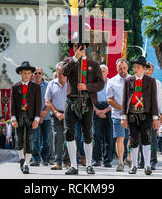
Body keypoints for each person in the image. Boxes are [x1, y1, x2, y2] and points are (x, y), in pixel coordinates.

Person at [62, 38, 105, 175]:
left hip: (87, 101)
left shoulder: (94, 64)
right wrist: (75, 58)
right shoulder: (69, 61)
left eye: (79, 46)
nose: (77, 48)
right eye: (75, 46)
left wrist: (87, 86)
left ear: (85, 47)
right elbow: (64, 72)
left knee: (87, 133)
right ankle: (74, 165)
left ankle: (89, 164)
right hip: (71, 101)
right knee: (68, 132)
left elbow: (100, 84)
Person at [121, 55, 159, 175]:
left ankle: (147, 165)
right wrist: (123, 117)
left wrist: (155, 118)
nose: (135, 69)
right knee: (133, 140)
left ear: (143, 68)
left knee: (146, 139)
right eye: (134, 67)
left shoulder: (151, 81)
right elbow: (124, 99)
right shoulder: (128, 80)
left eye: (137, 67)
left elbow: (154, 100)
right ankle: (134, 165)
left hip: (145, 115)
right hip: (132, 114)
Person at [11, 61, 42, 174]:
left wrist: (37, 119)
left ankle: (27, 164)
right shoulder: (15, 87)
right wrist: (13, 118)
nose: (27, 75)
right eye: (24, 73)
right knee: (18, 140)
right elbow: (12, 104)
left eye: (29, 73)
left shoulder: (36, 87)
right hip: (19, 116)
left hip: (31, 117)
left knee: (30, 140)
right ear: (20, 73)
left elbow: (38, 104)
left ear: (31, 74)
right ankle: (21, 159)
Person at [45, 61, 71, 170]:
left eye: (63, 73)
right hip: (56, 114)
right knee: (58, 137)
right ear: (56, 72)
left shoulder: (71, 84)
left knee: (70, 137)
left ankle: (67, 161)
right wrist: (56, 112)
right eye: (59, 72)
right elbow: (47, 100)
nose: (61, 75)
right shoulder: (52, 84)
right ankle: (58, 162)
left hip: (69, 114)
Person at [106, 59, 131, 172]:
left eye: (124, 68)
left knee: (132, 138)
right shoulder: (112, 81)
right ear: (117, 69)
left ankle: (129, 158)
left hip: (132, 115)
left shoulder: (134, 80)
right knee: (120, 139)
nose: (122, 70)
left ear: (127, 67)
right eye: (120, 68)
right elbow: (109, 100)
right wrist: (122, 108)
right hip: (117, 115)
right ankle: (120, 162)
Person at [141, 62, 162, 170]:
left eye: (149, 69)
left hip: (152, 114)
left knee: (153, 137)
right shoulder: (138, 81)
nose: (147, 71)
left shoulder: (156, 83)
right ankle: (142, 160)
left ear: (152, 71)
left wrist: (161, 113)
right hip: (140, 113)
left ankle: (153, 161)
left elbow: (159, 99)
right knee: (141, 137)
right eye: (145, 68)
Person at [92, 64, 113, 168]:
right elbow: (90, 99)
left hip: (109, 109)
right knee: (96, 135)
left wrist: (105, 110)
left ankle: (107, 160)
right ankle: (96, 159)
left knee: (109, 136)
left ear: (107, 72)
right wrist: (97, 111)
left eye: (104, 71)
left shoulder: (111, 83)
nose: (101, 73)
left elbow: (115, 99)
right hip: (96, 109)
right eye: (100, 71)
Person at [32, 67, 51, 166]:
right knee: (34, 138)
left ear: (42, 74)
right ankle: (36, 158)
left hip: (46, 116)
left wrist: (44, 113)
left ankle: (46, 158)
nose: (37, 75)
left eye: (39, 73)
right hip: (34, 117)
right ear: (33, 74)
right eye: (35, 73)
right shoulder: (30, 86)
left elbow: (51, 99)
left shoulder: (48, 85)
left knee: (46, 138)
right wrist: (38, 115)